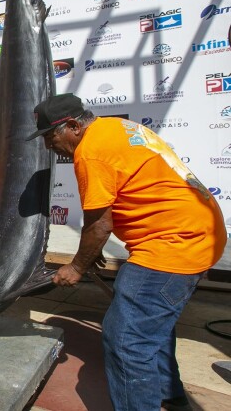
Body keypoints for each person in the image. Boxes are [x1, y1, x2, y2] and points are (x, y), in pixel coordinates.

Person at [28, 93, 227, 411]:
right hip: (201, 232)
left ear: (73, 126)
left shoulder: (90, 152)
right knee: (150, 326)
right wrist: (91, 252)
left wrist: (77, 267)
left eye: (50, 136)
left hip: (174, 243)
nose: (48, 146)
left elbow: (99, 224)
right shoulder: (114, 128)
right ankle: (169, 396)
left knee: (126, 339)